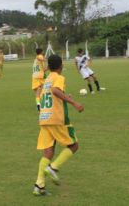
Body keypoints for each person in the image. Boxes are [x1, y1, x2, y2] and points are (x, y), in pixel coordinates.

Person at [33, 54, 84, 196]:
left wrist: (66, 97)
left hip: (44, 118)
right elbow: (55, 91)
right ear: (61, 66)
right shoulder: (59, 78)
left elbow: (51, 94)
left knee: (48, 152)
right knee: (74, 145)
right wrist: (74, 103)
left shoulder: (47, 80)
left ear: (48, 67)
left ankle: (39, 185)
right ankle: (53, 168)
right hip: (57, 118)